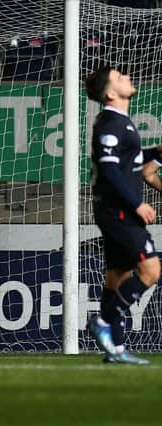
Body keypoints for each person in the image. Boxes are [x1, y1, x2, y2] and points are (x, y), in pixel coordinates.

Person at [86, 65, 161, 364]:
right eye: (120, 78)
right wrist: (137, 204)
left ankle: (115, 349)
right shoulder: (110, 124)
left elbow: (131, 161)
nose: (127, 78)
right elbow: (109, 169)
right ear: (109, 92)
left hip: (116, 210)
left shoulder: (121, 122)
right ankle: (104, 321)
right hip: (119, 211)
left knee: (117, 277)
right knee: (151, 271)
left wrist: (156, 152)